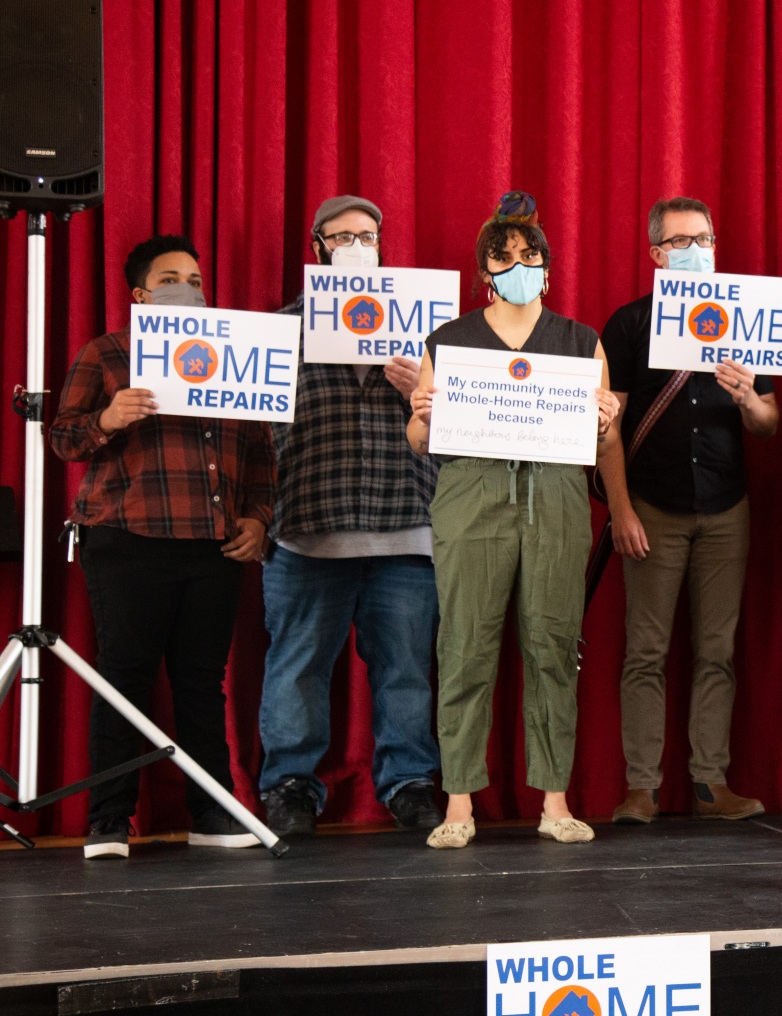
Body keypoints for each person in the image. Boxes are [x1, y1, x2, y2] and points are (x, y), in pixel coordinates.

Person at [406, 192, 620, 849]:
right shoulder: (449, 341)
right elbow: (418, 437)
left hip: (556, 496)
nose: (518, 265)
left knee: (553, 644)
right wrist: (421, 414)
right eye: (504, 257)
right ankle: (459, 800)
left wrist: (607, 421)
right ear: (485, 272)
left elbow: (602, 442)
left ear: (547, 269)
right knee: (464, 644)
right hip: (471, 493)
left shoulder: (580, 341)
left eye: (530, 255)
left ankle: (555, 799)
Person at [51, 234, 275, 859]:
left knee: (202, 684)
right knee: (124, 677)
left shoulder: (235, 353)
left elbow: (260, 453)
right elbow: (63, 438)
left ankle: (213, 813)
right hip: (127, 540)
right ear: (140, 295)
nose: (188, 289)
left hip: (213, 546)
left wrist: (258, 519)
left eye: (196, 280)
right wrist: (107, 418)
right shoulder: (106, 353)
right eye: (171, 279)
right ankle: (108, 819)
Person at [257, 196, 443, 838]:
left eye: (367, 236)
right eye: (342, 237)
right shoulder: (281, 330)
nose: (356, 246)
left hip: (407, 527)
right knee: (297, 667)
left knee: (407, 671)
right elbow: (251, 428)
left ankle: (410, 783)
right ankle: (289, 786)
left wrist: (421, 390)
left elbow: (467, 426)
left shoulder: (427, 332)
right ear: (318, 249)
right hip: (308, 529)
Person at [598, 197, 775, 824]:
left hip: (727, 507)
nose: (695, 250)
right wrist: (621, 510)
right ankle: (642, 789)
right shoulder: (628, 324)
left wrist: (749, 398)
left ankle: (709, 785)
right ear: (656, 254)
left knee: (716, 650)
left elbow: (768, 422)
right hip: (653, 507)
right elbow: (607, 427)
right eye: (680, 242)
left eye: (703, 239)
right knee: (645, 651)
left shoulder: (744, 317)